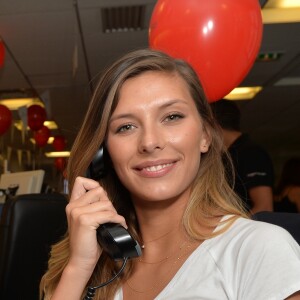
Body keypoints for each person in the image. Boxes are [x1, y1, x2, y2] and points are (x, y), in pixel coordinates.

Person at [40, 49, 300, 300]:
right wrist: (79, 267)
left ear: (205, 136)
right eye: (126, 126)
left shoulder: (258, 248)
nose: (150, 142)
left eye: (172, 116)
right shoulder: (97, 262)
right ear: (103, 154)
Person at [210, 99, 274, 214]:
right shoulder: (225, 155)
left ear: (214, 124)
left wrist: (231, 230)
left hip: (246, 230)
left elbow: (264, 207)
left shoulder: (252, 153)